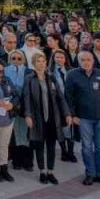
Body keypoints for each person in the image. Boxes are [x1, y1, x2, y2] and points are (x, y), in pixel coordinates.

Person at [64, 51, 100, 187]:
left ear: (93, 61)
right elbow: (68, 97)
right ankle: (90, 174)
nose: (86, 62)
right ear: (79, 61)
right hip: (84, 118)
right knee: (86, 147)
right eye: (83, 60)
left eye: (88, 59)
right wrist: (73, 115)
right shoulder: (72, 75)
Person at [22, 51, 67, 185]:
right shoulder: (29, 78)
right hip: (37, 117)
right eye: (38, 62)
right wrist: (28, 115)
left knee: (51, 146)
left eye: (43, 61)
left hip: (53, 117)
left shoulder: (51, 77)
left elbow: (60, 97)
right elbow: (27, 98)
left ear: (46, 62)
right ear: (33, 64)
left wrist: (67, 113)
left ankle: (50, 171)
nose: (41, 64)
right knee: (40, 145)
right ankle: (42, 171)